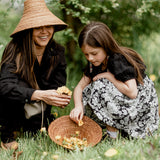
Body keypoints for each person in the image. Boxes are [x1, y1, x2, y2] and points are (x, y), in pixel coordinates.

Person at [70, 21, 159, 139]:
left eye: (94, 53)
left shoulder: (117, 60)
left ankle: (113, 136)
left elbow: (132, 93)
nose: (90, 58)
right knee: (88, 89)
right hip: (124, 102)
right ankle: (111, 130)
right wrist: (78, 106)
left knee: (99, 85)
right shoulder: (95, 63)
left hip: (140, 105)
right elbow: (79, 87)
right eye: (86, 54)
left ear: (105, 47)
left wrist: (109, 76)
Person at [0, 0, 71, 145]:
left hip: (40, 111)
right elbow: (5, 87)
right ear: (29, 30)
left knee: (39, 134)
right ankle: (8, 135)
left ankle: (35, 126)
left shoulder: (57, 52)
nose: (45, 32)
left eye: (48, 26)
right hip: (14, 109)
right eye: (38, 27)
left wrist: (59, 97)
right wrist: (39, 94)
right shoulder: (14, 50)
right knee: (16, 87)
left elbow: (58, 84)